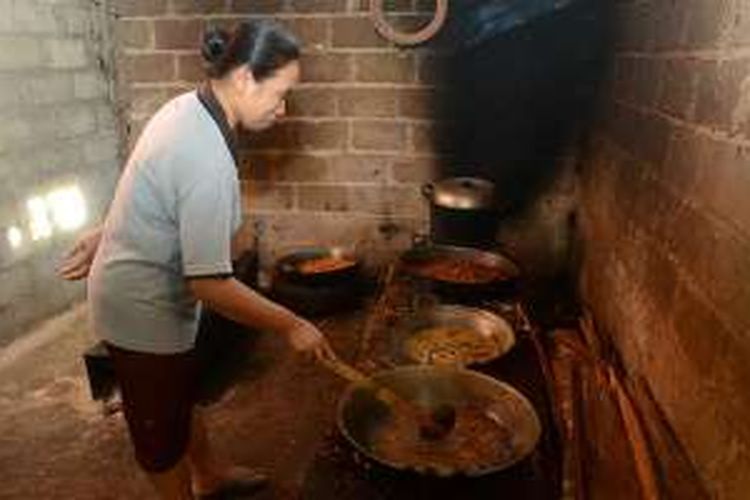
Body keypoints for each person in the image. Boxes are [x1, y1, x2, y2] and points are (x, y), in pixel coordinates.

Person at [58, 19, 336, 500]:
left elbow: (154, 186)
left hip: (157, 294)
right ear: (246, 77)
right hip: (138, 310)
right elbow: (208, 284)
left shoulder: (187, 108)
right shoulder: (206, 155)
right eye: (281, 93)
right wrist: (291, 323)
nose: (284, 109)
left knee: (179, 393)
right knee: (159, 434)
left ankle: (209, 474)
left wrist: (110, 230)